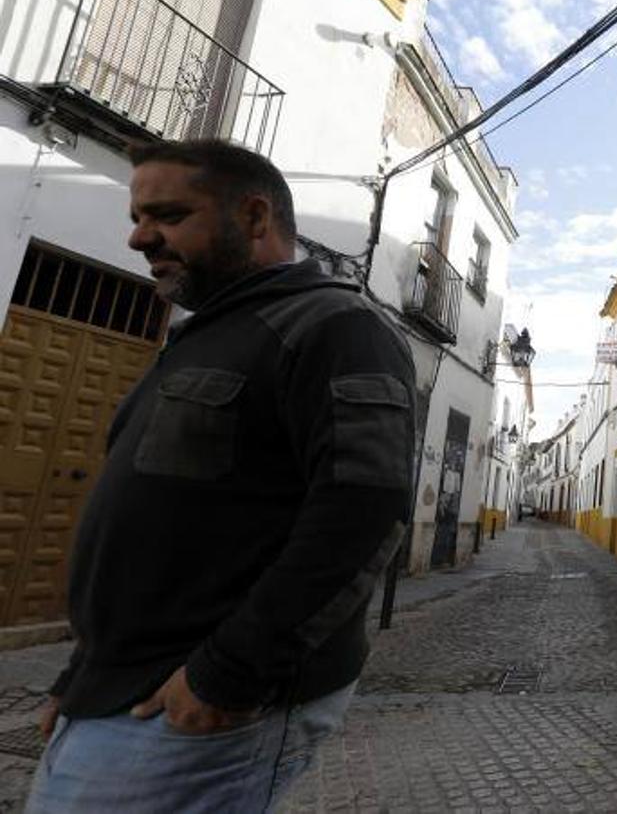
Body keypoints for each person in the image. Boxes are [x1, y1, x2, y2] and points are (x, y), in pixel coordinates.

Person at [27, 140, 416, 812]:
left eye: (168, 215)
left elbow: (364, 514)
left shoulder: (337, 328)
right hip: (117, 693)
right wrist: (83, 670)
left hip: (196, 711)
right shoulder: (201, 333)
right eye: (138, 215)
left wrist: (227, 675)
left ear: (255, 217)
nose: (139, 236)